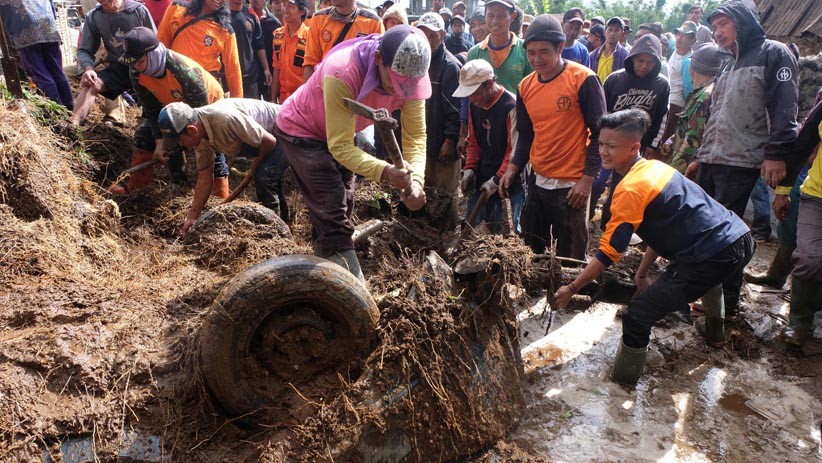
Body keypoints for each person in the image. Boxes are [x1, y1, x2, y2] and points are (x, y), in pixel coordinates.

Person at [554, 109, 753, 385]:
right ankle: (715, 336)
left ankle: (622, 385)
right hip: (739, 238)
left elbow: (609, 252)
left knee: (637, 315)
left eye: (611, 146)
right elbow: (661, 231)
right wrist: (642, 273)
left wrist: (572, 288)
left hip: (712, 255)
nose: (603, 152)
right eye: (600, 143)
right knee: (711, 279)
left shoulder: (631, 189)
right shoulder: (656, 167)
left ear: (634, 146)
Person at [273, 25, 430, 281]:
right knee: (331, 206)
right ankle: (354, 293)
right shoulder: (343, 70)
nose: (402, 92)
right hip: (302, 130)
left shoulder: (412, 77)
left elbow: (415, 136)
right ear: (378, 59)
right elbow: (341, 147)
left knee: (344, 201)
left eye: (408, 86)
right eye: (397, 82)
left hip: (341, 130)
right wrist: (387, 172)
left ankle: (326, 272)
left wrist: (416, 182)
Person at [693, 0, 799, 317]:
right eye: (713, 27)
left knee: (725, 233)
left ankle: (726, 300)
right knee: (704, 227)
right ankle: (709, 292)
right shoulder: (728, 62)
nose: (717, 31)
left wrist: (776, 154)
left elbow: (785, 108)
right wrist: (702, 155)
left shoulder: (773, 53)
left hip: (741, 160)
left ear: (742, 21)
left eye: (723, 23)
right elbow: (717, 114)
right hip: (714, 158)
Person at [499, 14, 606, 259]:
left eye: (544, 52)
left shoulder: (583, 79)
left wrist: (587, 179)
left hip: (572, 185)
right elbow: (526, 134)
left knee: (570, 255)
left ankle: (570, 295)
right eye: (532, 52)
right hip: (538, 180)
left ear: (560, 47)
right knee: (533, 247)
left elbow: (601, 134)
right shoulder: (525, 87)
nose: (537, 59)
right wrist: (514, 167)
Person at [109, 27, 225, 195]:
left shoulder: (184, 72)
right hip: (173, 108)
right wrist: (159, 141)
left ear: (153, 54)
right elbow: (151, 109)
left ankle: (219, 194)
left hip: (208, 108)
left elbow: (202, 115)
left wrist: (182, 140)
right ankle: (144, 189)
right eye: (133, 63)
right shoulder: (136, 71)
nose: (136, 67)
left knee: (212, 147)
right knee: (147, 136)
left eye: (140, 62)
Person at [160, 99, 291, 235]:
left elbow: (269, 142)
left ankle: (276, 232)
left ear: (192, 131)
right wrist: (192, 217)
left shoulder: (225, 118)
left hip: (286, 127)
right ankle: (284, 221)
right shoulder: (200, 136)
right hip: (265, 138)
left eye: (180, 141)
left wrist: (257, 162)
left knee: (264, 177)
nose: (181, 145)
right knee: (269, 175)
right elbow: (205, 175)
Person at [747, 93, 822, 289]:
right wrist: (783, 191)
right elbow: (807, 138)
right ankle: (777, 274)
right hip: (811, 172)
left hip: (810, 166)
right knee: (791, 219)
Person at [456, 59, 524, 233]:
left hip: (508, 180)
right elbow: (474, 141)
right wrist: (470, 168)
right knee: (471, 226)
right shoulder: (474, 105)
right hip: (483, 174)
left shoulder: (511, 106)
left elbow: (514, 150)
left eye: (474, 93)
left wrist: (496, 179)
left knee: (507, 232)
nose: (471, 98)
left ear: (489, 84)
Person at [774, 114, 822, 346]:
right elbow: (802, 145)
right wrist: (783, 191)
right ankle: (800, 322)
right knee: (809, 259)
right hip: (817, 196)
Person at [70, 0, 156, 125]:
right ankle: (73, 126)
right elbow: (85, 50)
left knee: (151, 112)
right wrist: (89, 69)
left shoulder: (138, 11)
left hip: (145, 65)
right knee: (92, 84)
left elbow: (156, 43)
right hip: (119, 66)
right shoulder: (95, 16)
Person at [416, 13, 462, 229]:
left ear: (443, 36)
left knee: (445, 195)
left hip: (443, 142)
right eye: (423, 35)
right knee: (425, 190)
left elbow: (456, 109)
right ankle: (426, 236)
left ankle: (448, 239)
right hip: (422, 139)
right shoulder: (417, 61)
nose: (427, 41)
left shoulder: (450, 66)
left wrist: (450, 140)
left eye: (432, 36)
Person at [157, 0, 244, 98]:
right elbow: (161, 45)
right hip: (174, 87)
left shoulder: (225, 30)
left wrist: (238, 103)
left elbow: (233, 70)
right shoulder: (176, 8)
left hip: (206, 91)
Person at [0, 0, 73, 109]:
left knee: (39, 73)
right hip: (48, 24)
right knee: (57, 70)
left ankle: (57, 109)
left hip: (26, 29)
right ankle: (69, 105)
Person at [670, 43, 722, 175]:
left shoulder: (703, 97)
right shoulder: (704, 92)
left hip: (688, 171)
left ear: (693, 67)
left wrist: (672, 173)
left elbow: (692, 144)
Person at [301, 0, 383, 81]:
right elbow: (310, 62)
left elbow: (377, 68)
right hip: (323, 87)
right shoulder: (318, 18)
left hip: (357, 89)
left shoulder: (374, 23)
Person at [465, 0, 531, 94]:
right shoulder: (474, 53)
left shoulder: (526, 51)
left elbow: (533, 89)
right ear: (485, 15)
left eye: (501, 16)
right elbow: (468, 94)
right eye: (491, 15)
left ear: (513, 16)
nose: (495, 21)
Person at [660, 21, 696, 146]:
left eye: (684, 35)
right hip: (665, 100)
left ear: (692, 40)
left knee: (663, 141)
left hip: (675, 105)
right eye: (678, 34)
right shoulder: (675, 52)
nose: (679, 38)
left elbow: (688, 91)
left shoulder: (688, 61)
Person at [229, 0, 270, 100]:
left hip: (250, 77)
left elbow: (258, 44)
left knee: (251, 113)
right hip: (227, 78)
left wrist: (266, 69)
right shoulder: (220, 14)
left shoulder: (251, 14)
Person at [270, 0, 309, 103]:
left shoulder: (310, 37)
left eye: (290, 6)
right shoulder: (278, 35)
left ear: (302, 12)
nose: (285, 9)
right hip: (283, 100)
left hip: (301, 102)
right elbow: (277, 68)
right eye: (284, 5)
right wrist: (273, 98)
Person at [250, 0, 282, 101]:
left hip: (269, 74)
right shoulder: (245, 19)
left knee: (270, 106)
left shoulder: (274, 23)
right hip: (250, 75)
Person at [589, 17, 628, 84]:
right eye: (610, 30)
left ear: (622, 33)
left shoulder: (625, 56)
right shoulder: (593, 55)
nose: (612, 33)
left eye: (616, 30)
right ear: (604, 32)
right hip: (596, 93)